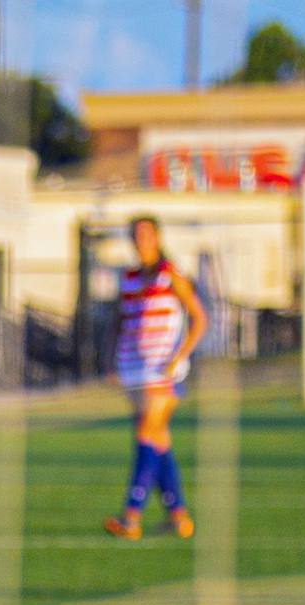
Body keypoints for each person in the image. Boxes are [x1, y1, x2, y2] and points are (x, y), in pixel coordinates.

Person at [104, 216, 206, 541]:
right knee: (158, 440)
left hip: (162, 370)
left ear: (158, 237)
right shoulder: (130, 278)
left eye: (147, 234)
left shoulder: (170, 274)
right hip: (132, 367)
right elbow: (122, 322)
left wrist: (179, 356)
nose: (141, 240)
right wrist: (110, 360)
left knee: (146, 434)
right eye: (136, 235)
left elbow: (200, 319)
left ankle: (131, 516)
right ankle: (179, 516)